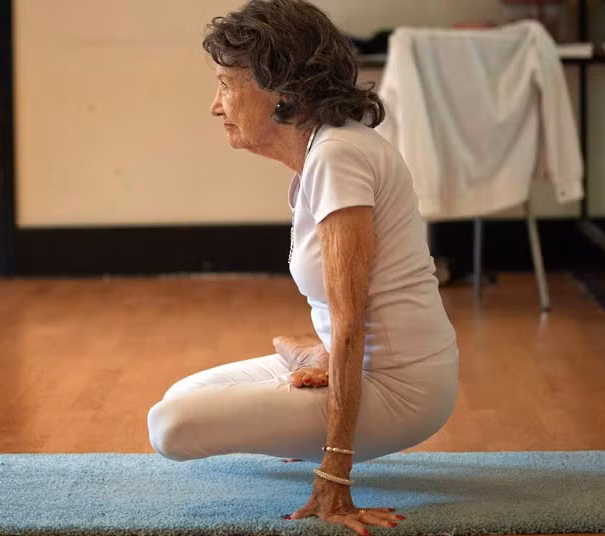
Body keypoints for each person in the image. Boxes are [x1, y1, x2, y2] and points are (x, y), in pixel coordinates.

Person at [147, 1, 458, 533]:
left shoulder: (339, 157)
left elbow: (352, 319)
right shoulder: (327, 152)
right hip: (354, 364)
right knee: (181, 399)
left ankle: (313, 378)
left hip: (402, 388)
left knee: (170, 426)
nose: (215, 104)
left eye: (226, 83)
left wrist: (334, 479)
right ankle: (309, 357)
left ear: (281, 88)